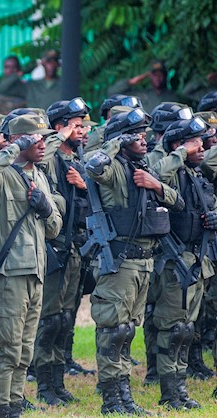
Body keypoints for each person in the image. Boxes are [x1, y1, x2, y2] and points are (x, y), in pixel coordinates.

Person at [85, 109, 182, 415]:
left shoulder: (142, 166)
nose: (144, 139)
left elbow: (176, 200)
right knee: (114, 331)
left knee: (127, 330)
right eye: (136, 135)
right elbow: (93, 165)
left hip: (144, 261)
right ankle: (112, 401)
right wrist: (115, 141)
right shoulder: (112, 167)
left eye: (144, 133)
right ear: (122, 139)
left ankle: (125, 397)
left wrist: (155, 184)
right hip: (121, 262)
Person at [0, 116, 62, 418]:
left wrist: (47, 207)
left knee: (25, 348)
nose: (42, 143)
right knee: (7, 346)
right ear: (20, 140)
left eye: (43, 138)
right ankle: (2, 407)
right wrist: (13, 148)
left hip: (36, 271)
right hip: (10, 271)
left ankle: (15, 402)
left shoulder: (39, 175)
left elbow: (54, 229)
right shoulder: (4, 174)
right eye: (35, 138)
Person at [151, 117, 212, 410]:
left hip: (198, 258)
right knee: (173, 329)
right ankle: (169, 393)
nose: (202, 147)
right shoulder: (172, 169)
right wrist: (179, 153)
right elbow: (155, 175)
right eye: (195, 142)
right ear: (179, 144)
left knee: (187, 330)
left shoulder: (196, 175)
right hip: (176, 261)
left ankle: (180, 389)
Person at [33, 98, 90, 406]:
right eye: (76, 125)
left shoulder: (78, 160)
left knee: (66, 318)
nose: (82, 131)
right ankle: (44, 385)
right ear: (59, 128)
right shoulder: (50, 157)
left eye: (83, 125)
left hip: (76, 249)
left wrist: (84, 185)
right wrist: (58, 136)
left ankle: (58, 382)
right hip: (55, 249)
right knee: (50, 319)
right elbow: (44, 152)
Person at [108, 60, 181, 115]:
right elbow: (112, 93)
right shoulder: (141, 95)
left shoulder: (173, 97)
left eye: (160, 74)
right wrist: (133, 81)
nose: (158, 78)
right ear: (150, 76)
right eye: (154, 74)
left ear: (165, 76)